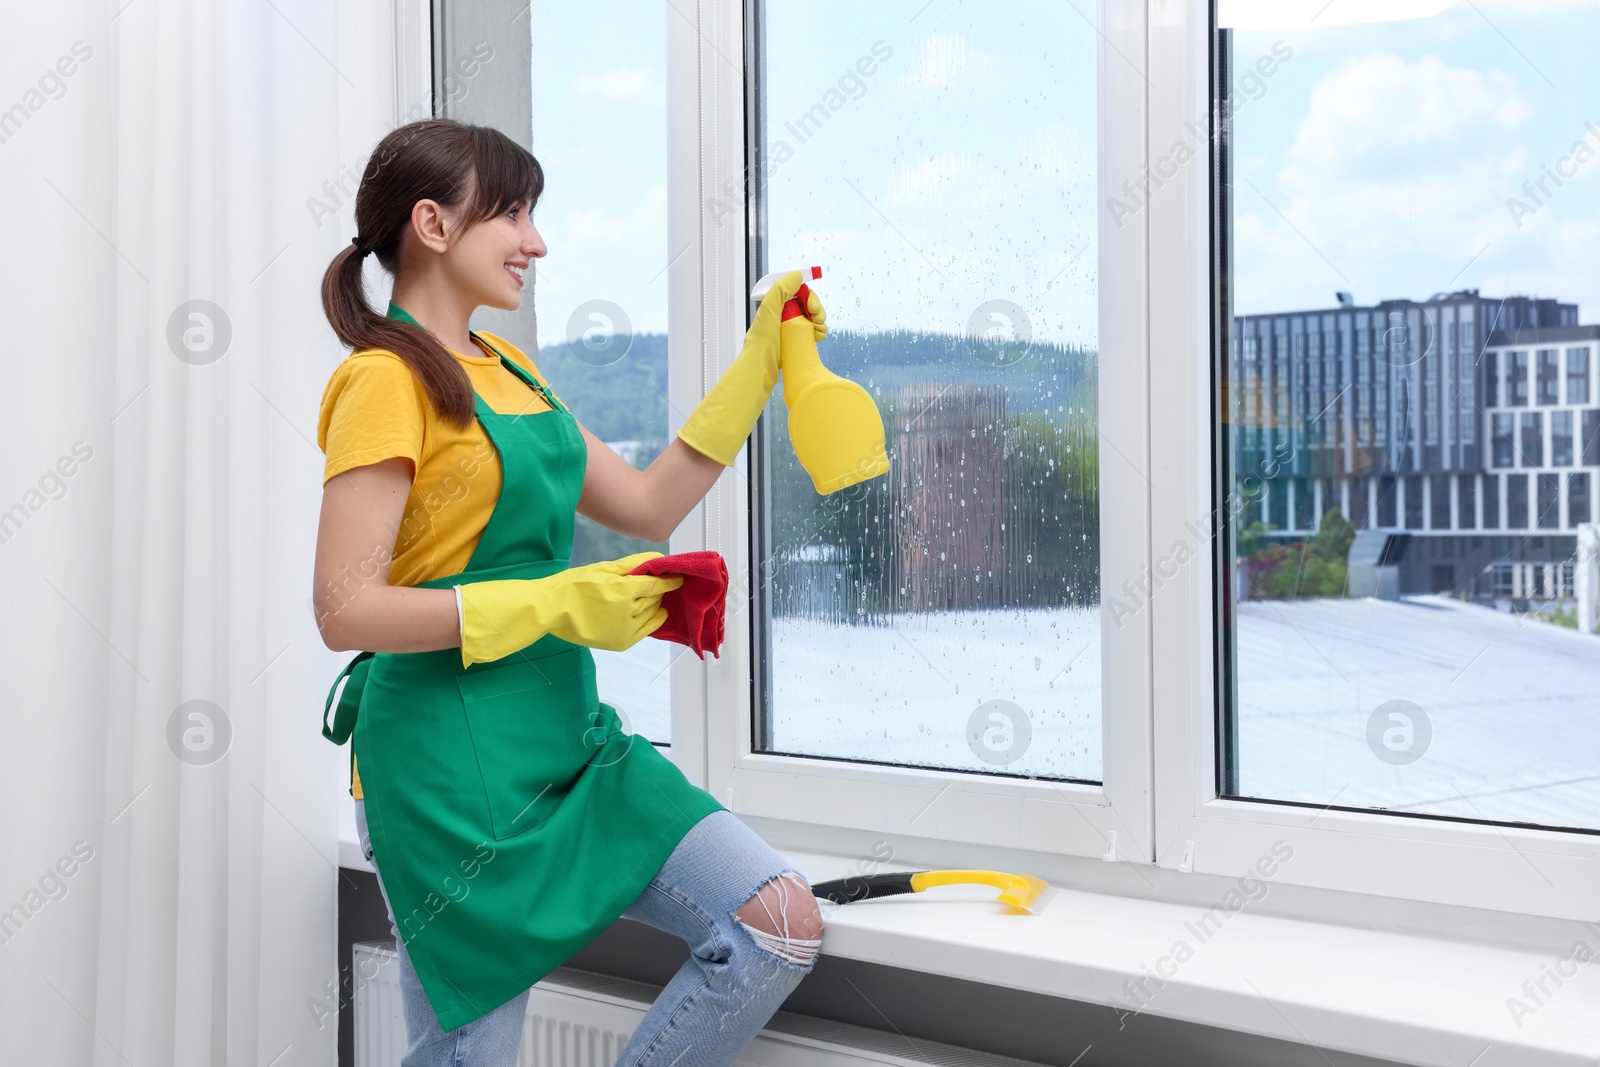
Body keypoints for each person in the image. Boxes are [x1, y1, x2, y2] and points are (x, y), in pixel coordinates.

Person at [311, 118, 825, 1066]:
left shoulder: (509, 372)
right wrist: (548, 603)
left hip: (567, 741)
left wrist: (761, 363)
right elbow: (345, 608)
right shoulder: (384, 380)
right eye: (511, 214)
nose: (535, 242)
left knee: (776, 919)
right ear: (431, 223)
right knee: (472, 1053)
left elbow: (647, 500)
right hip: (443, 774)